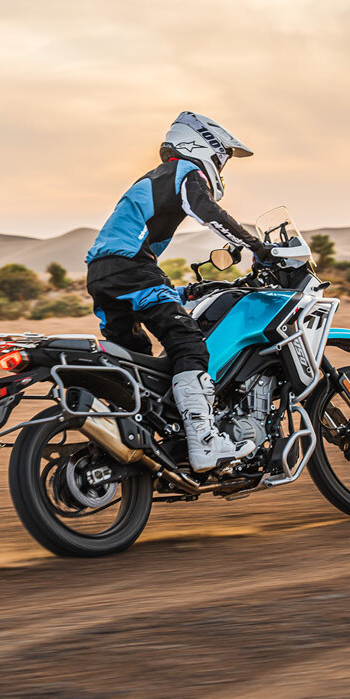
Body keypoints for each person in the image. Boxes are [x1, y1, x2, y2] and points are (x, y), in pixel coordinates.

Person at [85, 111, 271, 472]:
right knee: (187, 344)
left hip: (102, 276)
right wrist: (258, 248)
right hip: (131, 270)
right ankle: (204, 443)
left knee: (135, 360)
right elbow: (209, 213)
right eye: (223, 157)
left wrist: (185, 291)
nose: (221, 166)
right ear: (203, 145)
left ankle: (136, 441)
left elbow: (128, 264)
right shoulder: (183, 172)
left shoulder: (153, 180)